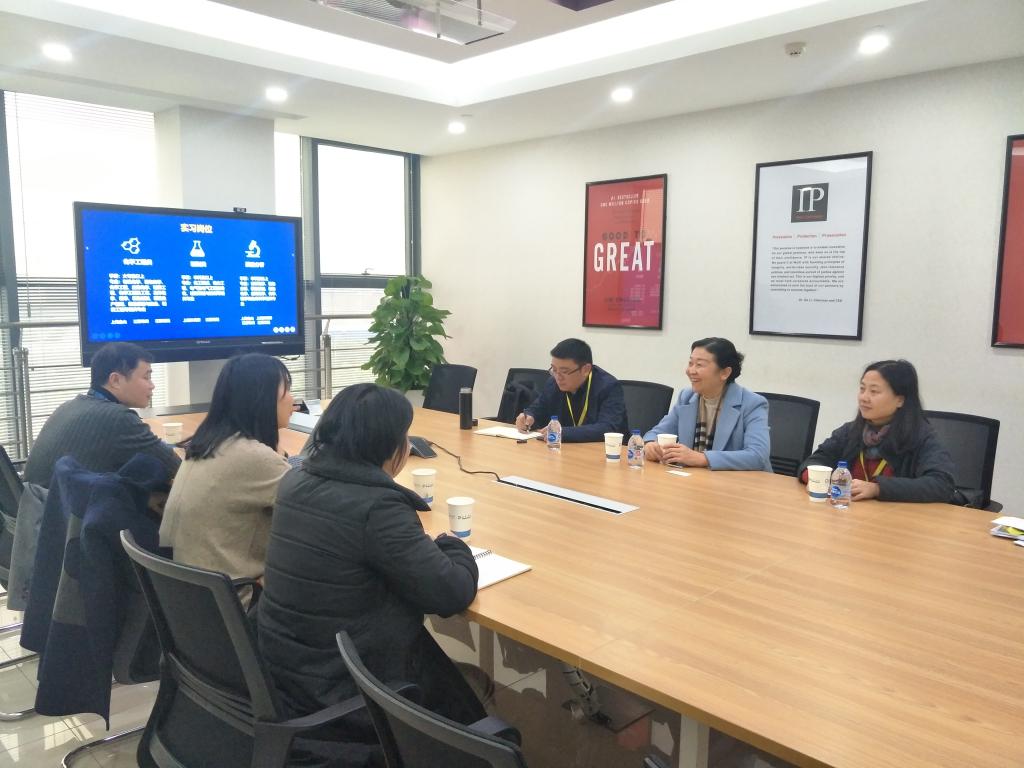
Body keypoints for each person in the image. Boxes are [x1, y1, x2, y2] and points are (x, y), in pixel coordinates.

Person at [257, 383, 484, 765]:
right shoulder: (377, 507)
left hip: (289, 673)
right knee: (466, 712)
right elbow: (450, 593)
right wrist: (453, 545)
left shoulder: (294, 481)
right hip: (348, 689)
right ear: (390, 446)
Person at [159, 354, 292, 583]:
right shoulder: (254, 458)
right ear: (263, 398)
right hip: (238, 596)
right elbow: (315, 510)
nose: (293, 399)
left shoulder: (207, 444)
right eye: (287, 389)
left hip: (193, 592)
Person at [24, 341, 180, 488]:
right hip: (62, 507)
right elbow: (175, 467)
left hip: (33, 502)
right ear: (115, 380)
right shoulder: (118, 418)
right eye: (146, 377)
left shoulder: (69, 406)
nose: (152, 385)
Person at [799, 359, 956, 503]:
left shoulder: (922, 436)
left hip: (897, 518)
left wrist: (878, 488)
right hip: (850, 513)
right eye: (862, 389)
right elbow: (816, 460)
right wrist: (814, 478)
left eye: (874, 391)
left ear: (900, 400)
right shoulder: (851, 431)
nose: (864, 397)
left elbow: (941, 484)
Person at [644, 337, 772, 471]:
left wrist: (703, 458)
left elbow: (757, 456)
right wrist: (650, 444)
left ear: (725, 373)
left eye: (699, 365)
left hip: (739, 481)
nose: (691, 371)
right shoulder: (687, 397)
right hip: (697, 478)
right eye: (690, 363)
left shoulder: (752, 404)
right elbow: (657, 432)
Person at [514, 338, 628, 442]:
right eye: (554, 369)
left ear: (585, 369)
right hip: (564, 451)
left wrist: (563, 432)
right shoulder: (553, 383)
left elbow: (607, 428)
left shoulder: (609, 387)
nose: (558, 377)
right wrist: (529, 417)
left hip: (604, 453)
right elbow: (538, 408)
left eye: (564, 371)